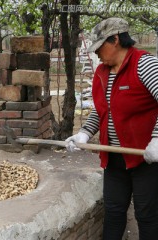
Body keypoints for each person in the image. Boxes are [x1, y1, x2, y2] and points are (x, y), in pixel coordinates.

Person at [66, 17, 158, 240]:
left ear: (115, 39)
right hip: (115, 157)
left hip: (145, 159)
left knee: (147, 216)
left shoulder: (145, 65)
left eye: (100, 47)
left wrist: (157, 138)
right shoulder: (103, 71)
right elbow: (102, 109)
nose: (97, 54)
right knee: (114, 212)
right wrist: (85, 133)